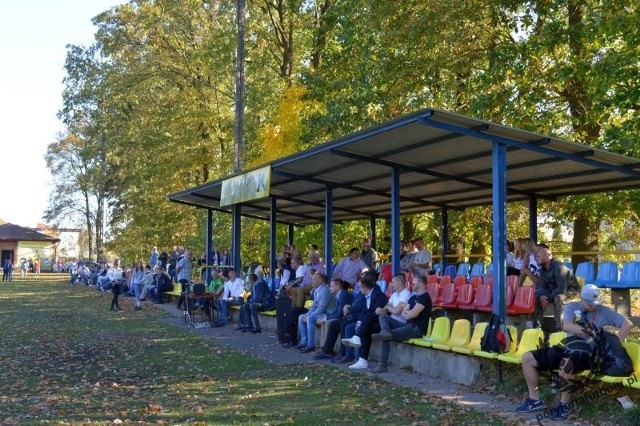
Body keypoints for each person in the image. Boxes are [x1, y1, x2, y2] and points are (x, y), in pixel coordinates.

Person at [515, 284, 633, 420]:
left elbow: (627, 324)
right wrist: (587, 331)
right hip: (568, 347)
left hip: (588, 354)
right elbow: (567, 325)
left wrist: (614, 345)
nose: (592, 306)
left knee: (567, 363)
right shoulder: (572, 307)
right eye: (589, 303)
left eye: (595, 303)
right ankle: (534, 400)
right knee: (528, 358)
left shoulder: (604, 311)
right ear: (581, 298)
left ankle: (564, 405)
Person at [371, 273, 432, 373]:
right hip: (407, 325)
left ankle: (383, 365)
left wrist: (408, 313)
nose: (411, 285)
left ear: (421, 284)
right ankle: (384, 332)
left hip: (417, 329)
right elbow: (404, 314)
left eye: (413, 283)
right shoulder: (413, 298)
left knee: (387, 335)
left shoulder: (425, 298)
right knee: (383, 316)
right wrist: (408, 313)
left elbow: (412, 314)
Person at [533, 244, 578, 330]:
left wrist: (547, 298)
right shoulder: (543, 269)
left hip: (571, 292)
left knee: (559, 297)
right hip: (554, 291)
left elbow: (562, 289)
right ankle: (538, 328)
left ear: (546, 257)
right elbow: (542, 287)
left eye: (538, 256)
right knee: (536, 296)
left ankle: (559, 328)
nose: (536, 259)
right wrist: (541, 296)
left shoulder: (559, 267)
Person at [297, 273, 337, 353]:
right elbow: (314, 306)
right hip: (320, 312)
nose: (312, 281)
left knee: (310, 318)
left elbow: (321, 308)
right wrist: (307, 314)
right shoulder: (316, 290)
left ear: (321, 280)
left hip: (328, 313)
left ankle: (310, 345)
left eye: (314, 279)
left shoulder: (325, 290)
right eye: (312, 279)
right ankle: (303, 342)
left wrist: (309, 316)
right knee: (301, 317)